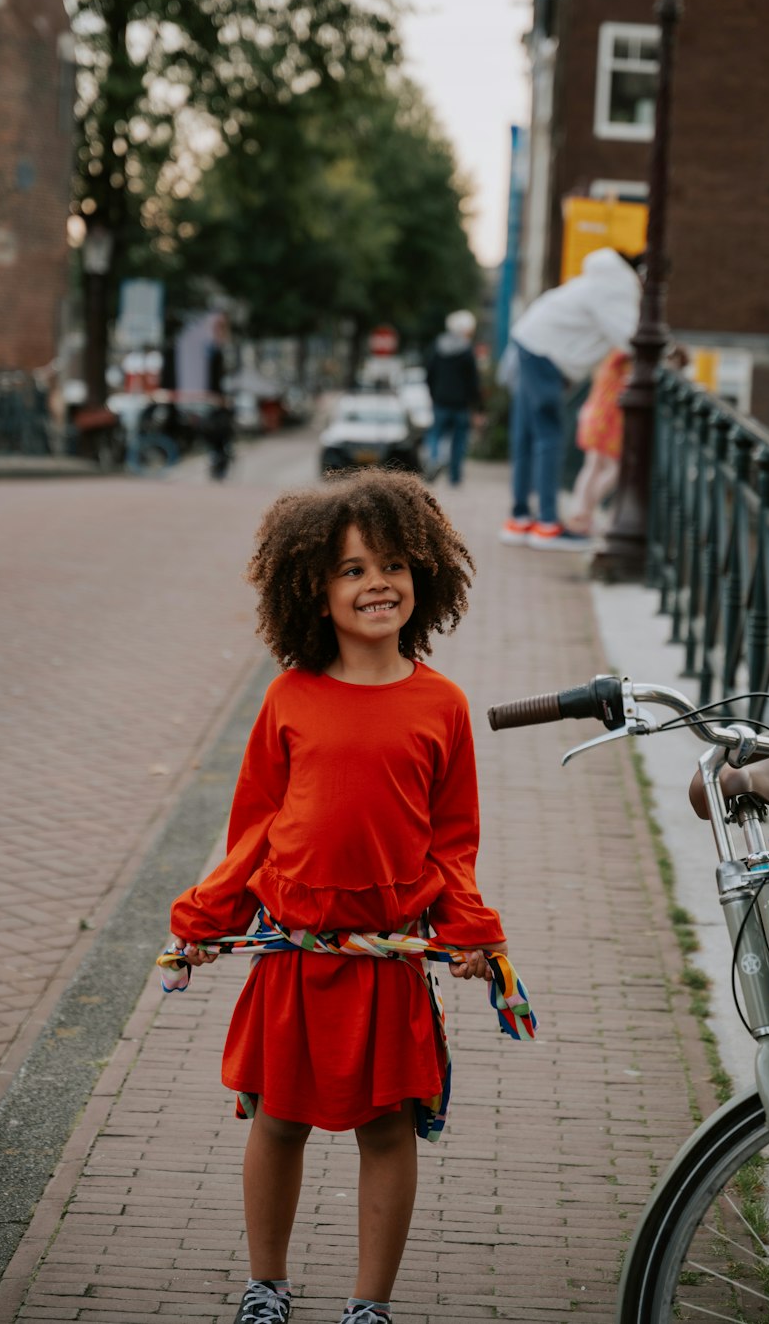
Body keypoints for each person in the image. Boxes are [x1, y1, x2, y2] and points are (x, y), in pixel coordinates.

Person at [164, 469, 511, 1324]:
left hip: (387, 962)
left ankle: (370, 1303)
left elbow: (451, 841)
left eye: (391, 564)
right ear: (315, 592)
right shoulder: (288, 697)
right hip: (295, 954)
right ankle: (266, 1284)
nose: (375, 583)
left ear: (421, 574)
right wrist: (209, 919)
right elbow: (252, 826)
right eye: (352, 570)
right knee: (278, 1119)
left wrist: (470, 930)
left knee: (386, 1129)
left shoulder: (444, 705)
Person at [499, 247, 643, 550]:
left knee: (526, 437)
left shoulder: (600, 279)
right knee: (549, 437)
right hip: (546, 356)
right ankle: (548, 525)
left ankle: (520, 519)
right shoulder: (618, 285)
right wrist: (669, 351)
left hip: (530, 343)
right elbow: (631, 339)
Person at [564, 347, 633, 536]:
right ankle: (585, 511)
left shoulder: (607, 358)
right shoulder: (621, 357)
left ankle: (580, 511)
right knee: (614, 469)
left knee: (593, 466)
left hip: (594, 415)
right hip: (608, 420)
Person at [424, 308, 482, 485]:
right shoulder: (466, 351)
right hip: (461, 403)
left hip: (441, 400)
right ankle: (455, 476)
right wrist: (477, 405)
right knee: (459, 441)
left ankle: (433, 460)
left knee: (435, 434)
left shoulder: (437, 346)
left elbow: (429, 373)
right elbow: (473, 380)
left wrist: (433, 394)